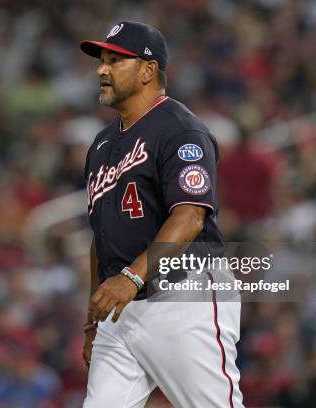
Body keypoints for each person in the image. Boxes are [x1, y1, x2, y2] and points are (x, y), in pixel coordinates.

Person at [79, 21, 243, 407]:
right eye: (102, 61)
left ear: (148, 70)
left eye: (115, 61)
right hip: (121, 313)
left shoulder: (181, 130)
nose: (102, 70)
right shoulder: (102, 144)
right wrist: (93, 316)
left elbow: (189, 218)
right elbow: (101, 235)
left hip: (183, 298)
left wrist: (130, 278)